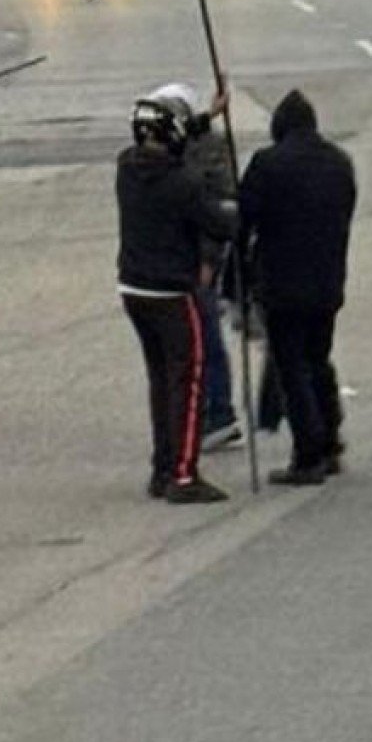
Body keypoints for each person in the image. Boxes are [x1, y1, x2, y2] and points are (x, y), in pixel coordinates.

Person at [115, 88, 238, 504]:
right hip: (172, 291)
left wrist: (205, 117)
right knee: (187, 380)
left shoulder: (126, 170)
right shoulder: (183, 184)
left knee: (160, 380)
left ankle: (162, 466)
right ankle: (183, 473)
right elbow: (219, 225)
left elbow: (175, 140)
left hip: (133, 288)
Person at [238, 91, 358, 485]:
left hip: (282, 283)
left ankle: (309, 453)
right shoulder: (340, 164)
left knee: (292, 368)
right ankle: (331, 440)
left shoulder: (267, 164)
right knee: (319, 360)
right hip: (327, 280)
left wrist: (237, 276)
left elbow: (243, 223)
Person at [159, 83, 243, 450]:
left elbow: (220, 208)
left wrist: (209, 259)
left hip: (199, 259)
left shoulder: (207, 153)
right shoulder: (185, 145)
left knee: (204, 336)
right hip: (177, 258)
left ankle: (218, 412)